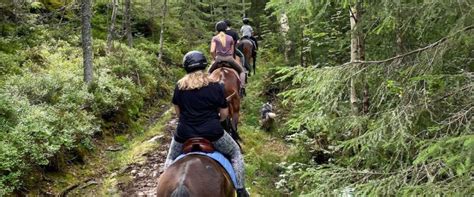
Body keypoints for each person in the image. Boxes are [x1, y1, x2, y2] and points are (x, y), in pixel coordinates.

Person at [164, 51, 249, 197]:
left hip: (184, 134)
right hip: (213, 133)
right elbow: (224, 114)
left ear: (186, 67)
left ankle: (164, 181)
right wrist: (216, 120)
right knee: (235, 153)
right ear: (204, 65)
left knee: (171, 159)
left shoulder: (179, 86)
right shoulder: (215, 86)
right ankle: (241, 190)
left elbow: (178, 114)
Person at [208, 21, 246, 95]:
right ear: (225, 28)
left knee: (208, 72)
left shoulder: (215, 38)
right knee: (242, 71)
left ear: (217, 29)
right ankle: (242, 88)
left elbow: (212, 51)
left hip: (218, 59)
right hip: (229, 59)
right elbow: (232, 51)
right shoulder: (230, 38)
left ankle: (207, 90)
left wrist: (214, 58)